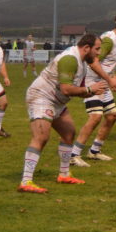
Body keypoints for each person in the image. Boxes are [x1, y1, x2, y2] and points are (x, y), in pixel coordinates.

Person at [17, 34, 107, 194]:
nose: (99, 53)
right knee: (41, 137)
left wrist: (91, 91)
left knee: (68, 133)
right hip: (41, 97)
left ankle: (64, 175)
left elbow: (77, 90)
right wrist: (89, 89)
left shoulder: (82, 62)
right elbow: (66, 89)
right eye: (97, 49)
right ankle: (26, 181)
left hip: (57, 101)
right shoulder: (70, 59)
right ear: (87, 48)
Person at [70, 14, 116, 166]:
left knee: (111, 116)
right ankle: (73, 155)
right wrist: (110, 79)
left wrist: (114, 78)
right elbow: (93, 61)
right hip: (92, 81)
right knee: (96, 117)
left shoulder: (115, 40)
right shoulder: (109, 40)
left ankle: (94, 151)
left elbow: (106, 64)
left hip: (102, 81)